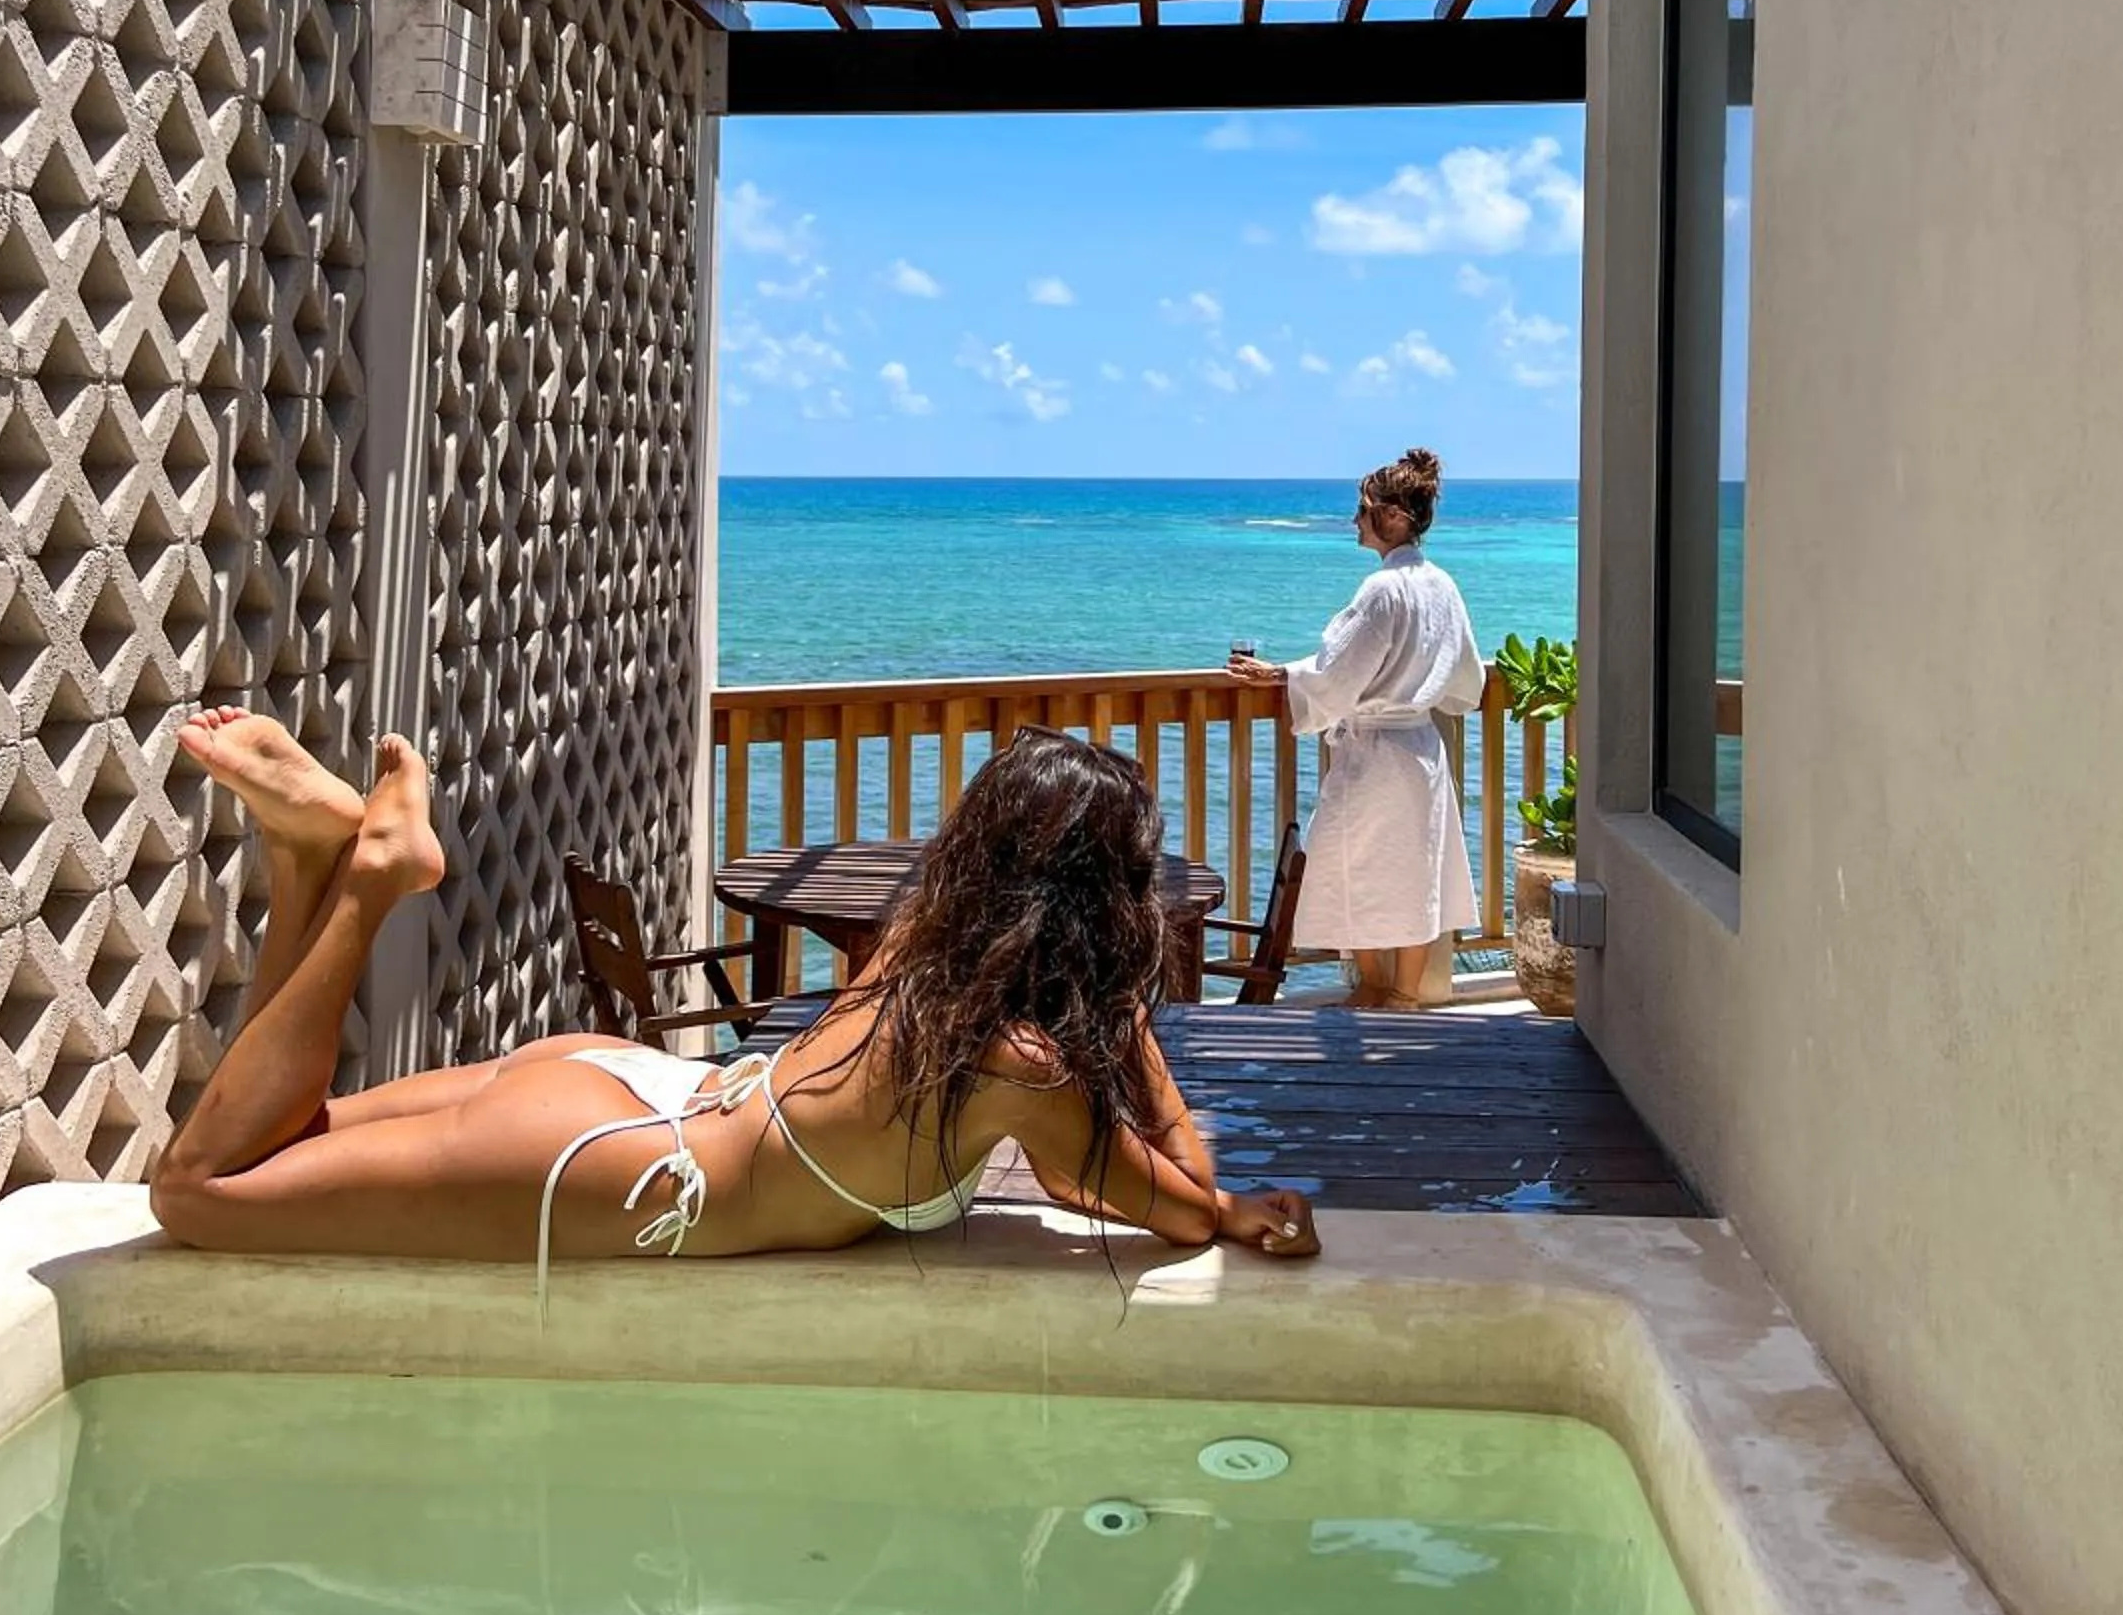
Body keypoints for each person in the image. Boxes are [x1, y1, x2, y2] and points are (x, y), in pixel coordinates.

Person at [153, 713, 1319, 1288]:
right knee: (202, 1194)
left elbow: (1078, 1177)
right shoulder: (1014, 1062)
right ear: (1098, 901)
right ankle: (369, 882)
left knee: (272, 1145)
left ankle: (309, 855)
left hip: (631, 1085)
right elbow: (1180, 1202)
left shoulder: (924, 951)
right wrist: (1125, 1013)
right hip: (631, 1169)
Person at [1229, 447, 1484, 1010]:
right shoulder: (1442, 585)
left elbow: (1341, 670)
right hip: (1420, 747)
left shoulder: (1383, 590)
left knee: (1354, 864)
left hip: (1376, 755)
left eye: (1363, 509)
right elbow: (1466, 681)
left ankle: (1373, 986)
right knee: (1418, 869)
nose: (1355, 520)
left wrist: (1280, 676)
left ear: (1393, 517)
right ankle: (1404, 994)